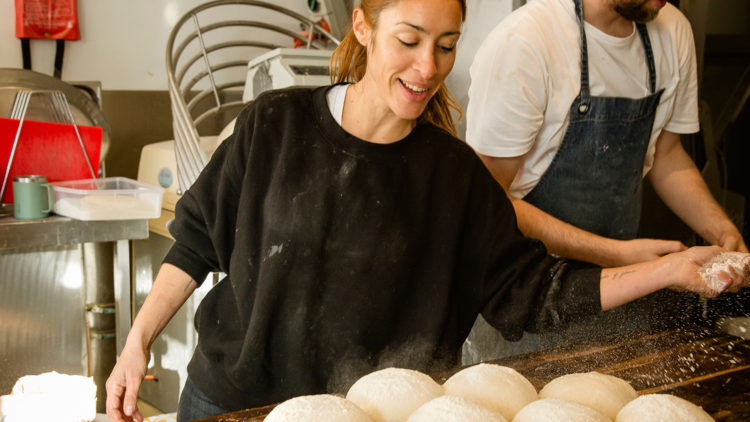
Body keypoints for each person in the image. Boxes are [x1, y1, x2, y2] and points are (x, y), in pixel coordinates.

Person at [106, 0, 748, 421]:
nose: (427, 67)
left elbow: (535, 292)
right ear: (363, 27)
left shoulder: (454, 177)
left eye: (446, 46)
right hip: (233, 404)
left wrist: (668, 270)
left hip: (376, 414)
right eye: (409, 41)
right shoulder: (272, 127)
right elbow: (193, 243)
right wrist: (136, 343)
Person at [462, 0, 748, 361]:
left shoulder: (672, 29)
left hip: (626, 292)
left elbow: (667, 155)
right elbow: (490, 198)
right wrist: (621, 255)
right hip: (530, 299)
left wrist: (721, 231)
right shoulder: (526, 41)